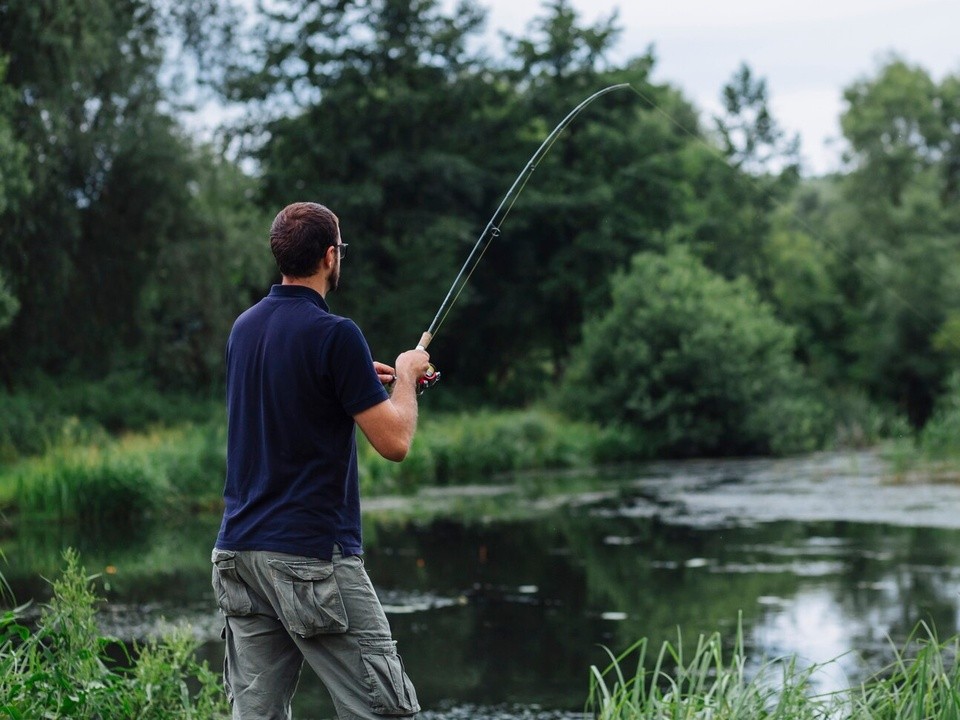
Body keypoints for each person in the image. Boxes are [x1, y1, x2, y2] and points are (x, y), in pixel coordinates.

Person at [211, 201, 431, 720]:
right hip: (309, 556)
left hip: (238, 554)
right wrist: (405, 373)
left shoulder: (244, 328)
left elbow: (298, 395)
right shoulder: (336, 334)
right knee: (384, 711)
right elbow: (395, 442)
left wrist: (357, 380)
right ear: (331, 256)